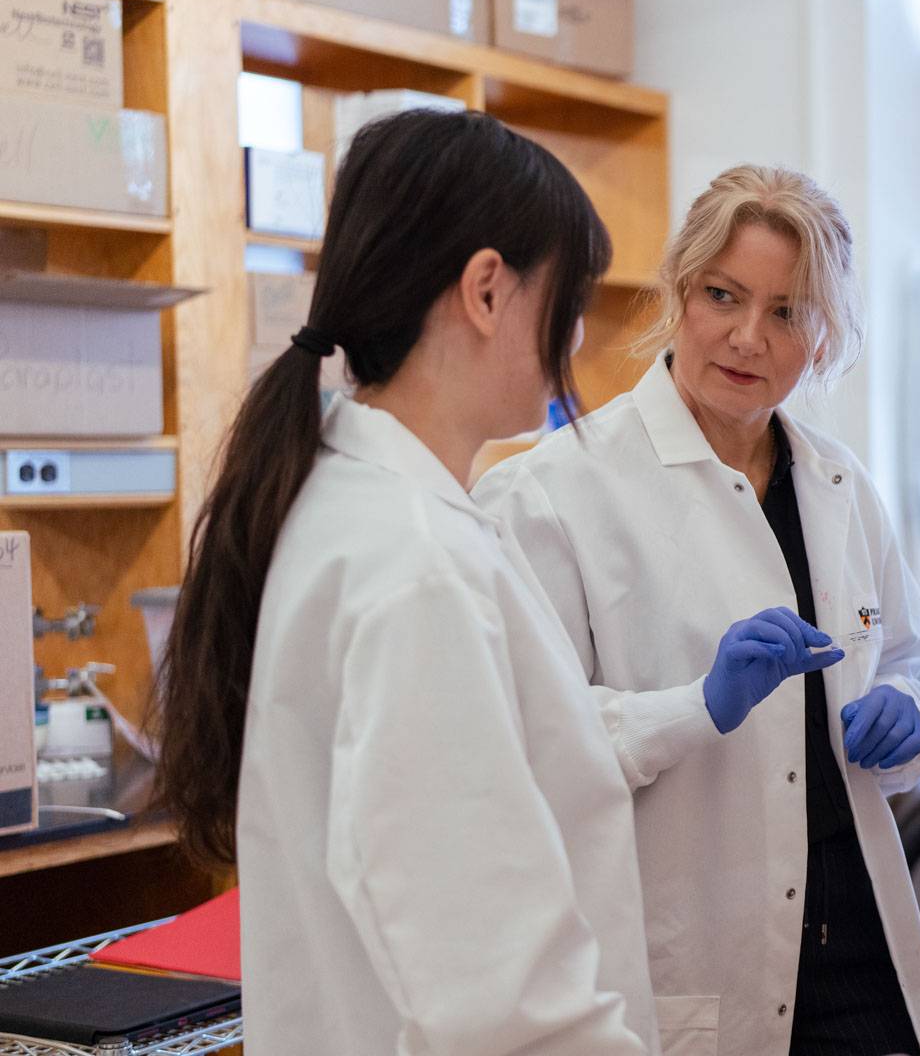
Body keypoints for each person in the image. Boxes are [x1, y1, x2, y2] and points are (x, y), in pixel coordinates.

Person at [153, 110, 660, 1054]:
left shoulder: (357, 507)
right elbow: (498, 995)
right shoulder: (415, 560)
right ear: (485, 289)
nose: (580, 330)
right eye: (569, 294)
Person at [474, 165, 920, 1056]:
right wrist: (698, 707)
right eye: (723, 296)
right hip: (691, 973)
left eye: (787, 311)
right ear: (679, 295)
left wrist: (910, 716)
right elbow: (523, 744)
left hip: (861, 960)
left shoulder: (840, 485)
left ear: (823, 336)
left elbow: (903, 660)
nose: (748, 337)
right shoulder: (549, 494)